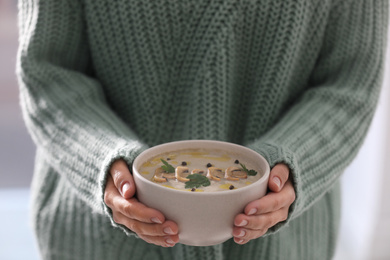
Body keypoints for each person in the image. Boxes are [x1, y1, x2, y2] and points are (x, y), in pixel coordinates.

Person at [16, 0, 388, 259]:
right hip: (100, 240)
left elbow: (347, 84)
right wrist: (105, 160)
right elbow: (49, 72)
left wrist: (290, 166)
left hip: (281, 245)